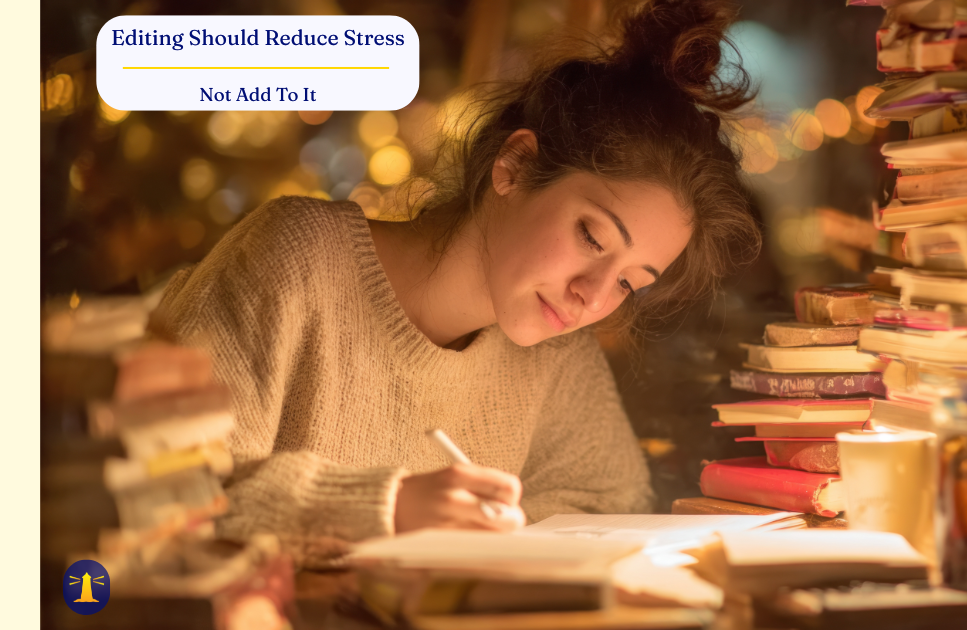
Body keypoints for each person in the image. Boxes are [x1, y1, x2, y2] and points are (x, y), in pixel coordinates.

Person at [146, 0, 761, 567]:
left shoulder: (555, 352)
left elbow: (608, 511)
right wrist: (386, 509)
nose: (592, 297)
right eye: (593, 238)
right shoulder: (298, 256)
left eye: (630, 283)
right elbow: (160, 485)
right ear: (515, 166)